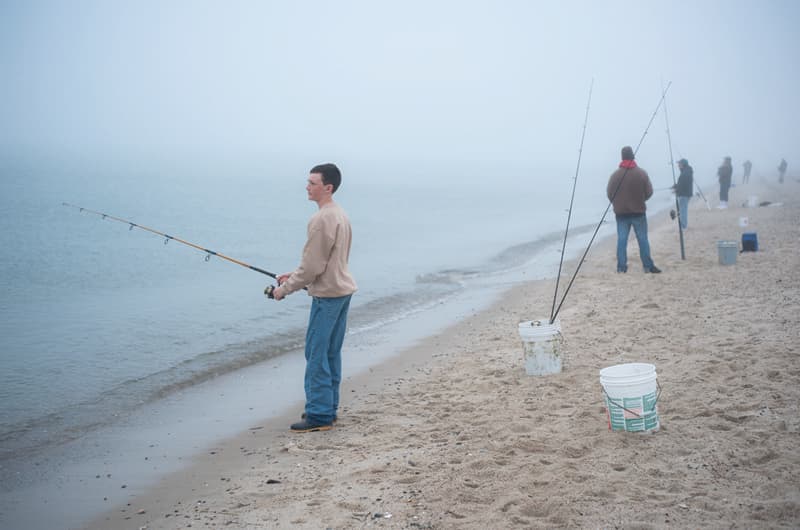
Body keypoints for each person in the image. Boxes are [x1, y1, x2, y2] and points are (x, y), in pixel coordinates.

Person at [271, 163, 357, 433]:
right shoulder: (339, 214)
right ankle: (327, 410)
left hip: (328, 296)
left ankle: (319, 415)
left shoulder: (321, 219)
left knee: (316, 354)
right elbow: (324, 262)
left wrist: (283, 290)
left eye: (312, 183)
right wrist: (294, 275)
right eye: (307, 182)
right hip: (341, 291)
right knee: (330, 353)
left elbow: (312, 267)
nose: (307, 187)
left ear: (327, 187)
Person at [607, 146, 661, 274]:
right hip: (638, 212)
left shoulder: (615, 175)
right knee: (642, 239)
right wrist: (640, 200)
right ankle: (648, 266)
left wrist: (618, 203)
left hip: (621, 214)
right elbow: (649, 192)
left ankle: (621, 267)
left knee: (622, 240)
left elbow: (609, 194)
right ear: (633, 156)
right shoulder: (641, 173)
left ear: (622, 157)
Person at [673, 158, 693, 230]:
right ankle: (683, 225)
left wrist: (676, 189)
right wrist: (676, 186)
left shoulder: (685, 173)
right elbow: (681, 183)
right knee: (682, 210)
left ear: (683, 164)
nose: (678, 165)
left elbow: (683, 185)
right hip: (686, 194)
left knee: (683, 210)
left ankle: (683, 226)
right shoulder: (686, 171)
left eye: (679, 164)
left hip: (684, 195)